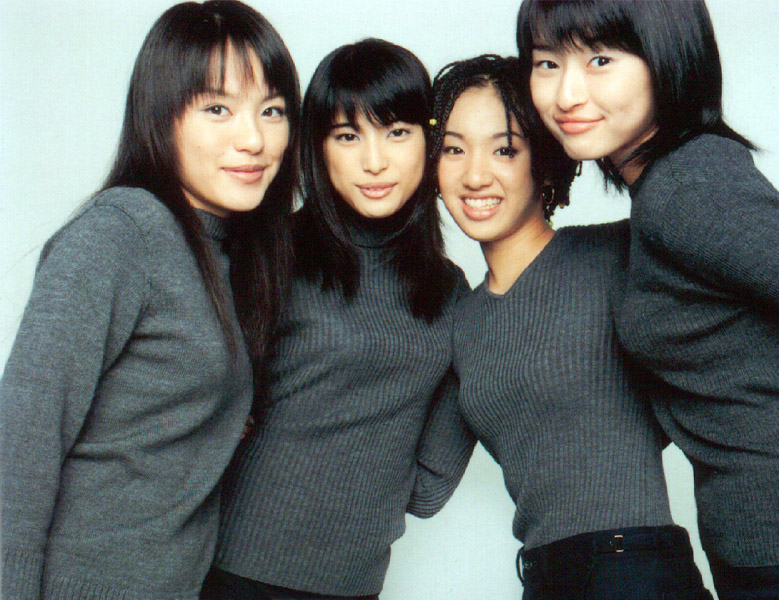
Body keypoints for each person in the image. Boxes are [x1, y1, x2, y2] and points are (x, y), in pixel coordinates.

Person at [0, 1, 301, 598]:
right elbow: (21, 445)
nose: (254, 139)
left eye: (272, 110)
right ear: (160, 116)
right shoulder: (120, 235)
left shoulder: (232, 250)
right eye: (217, 108)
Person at [518, 1, 779, 598]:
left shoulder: (687, 186)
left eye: (600, 60)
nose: (567, 94)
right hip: (758, 537)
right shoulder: (666, 189)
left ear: (668, 60)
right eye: (547, 63)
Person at [428, 53, 712, 600]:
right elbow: (425, 487)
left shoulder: (617, 254)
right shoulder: (462, 319)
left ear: (545, 160)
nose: (475, 175)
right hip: (543, 576)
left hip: (635, 570)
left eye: (505, 149)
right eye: (454, 149)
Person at [201, 38, 471, 600]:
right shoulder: (270, 252)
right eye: (348, 136)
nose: (374, 161)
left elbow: (430, 487)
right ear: (318, 149)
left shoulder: (449, 290)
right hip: (237, 569)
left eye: (396, 132)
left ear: (429, 141)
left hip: (356, 580)